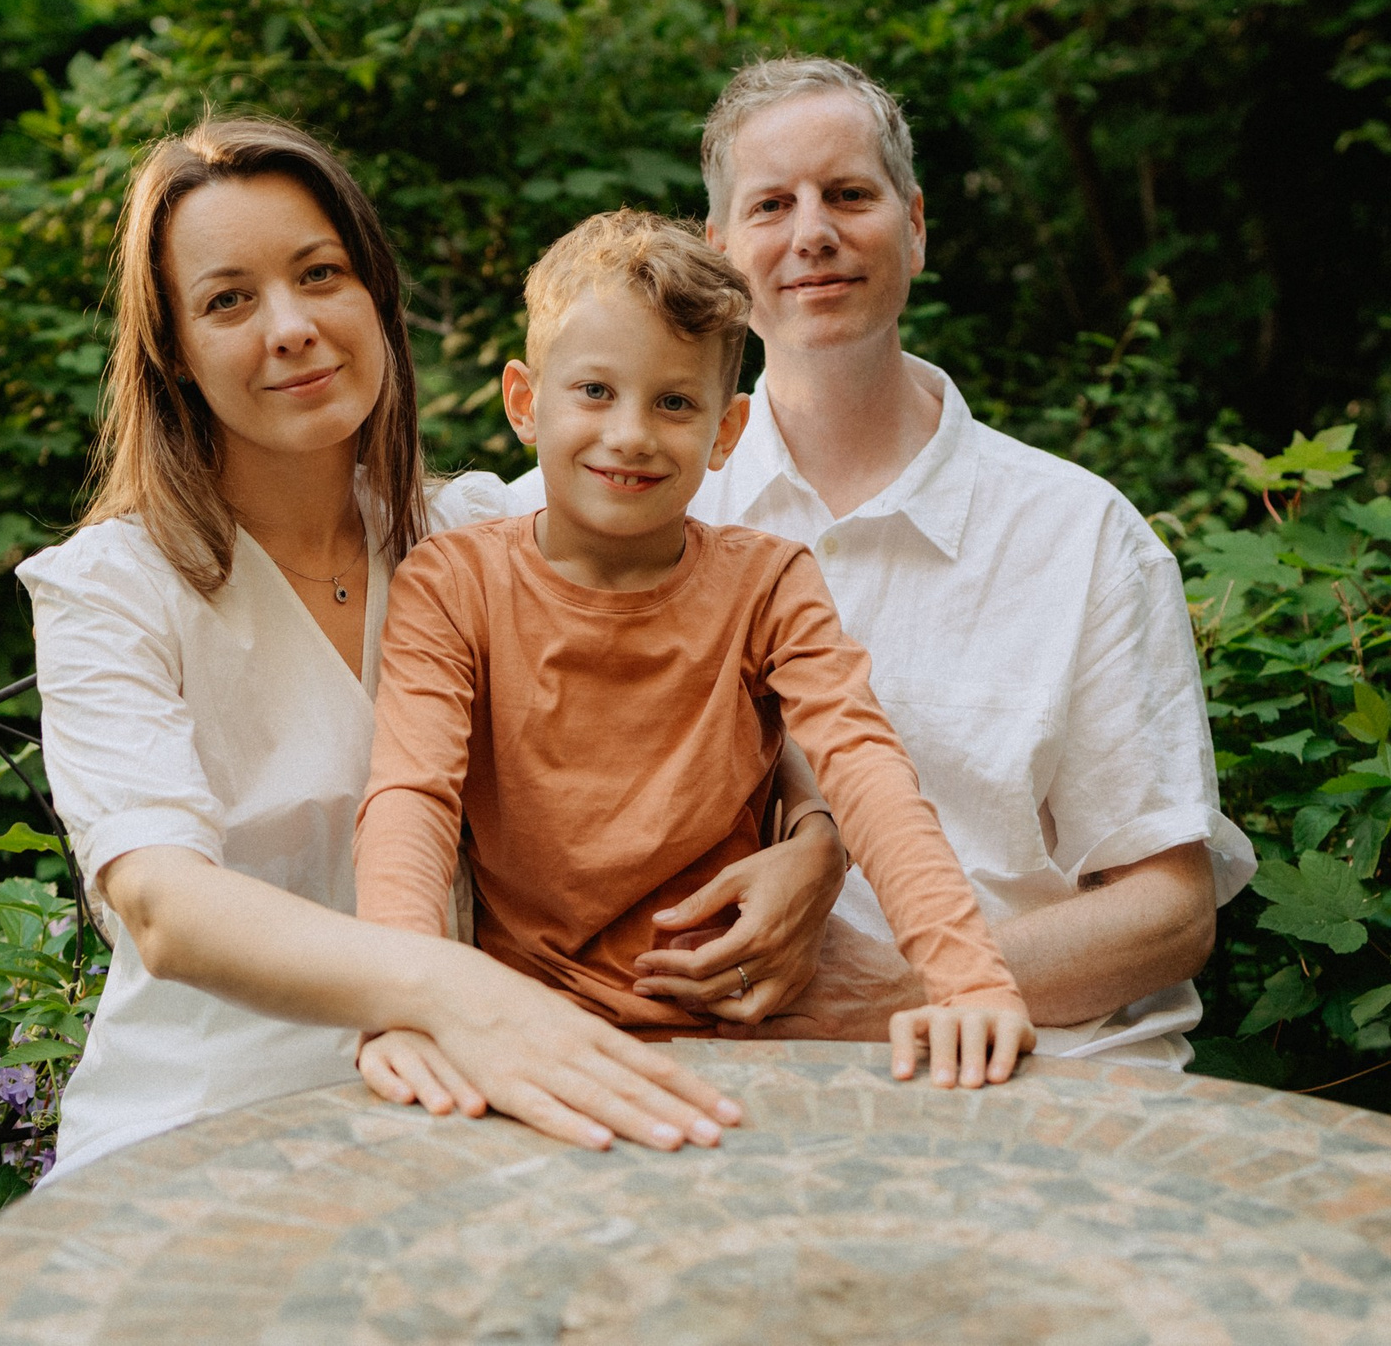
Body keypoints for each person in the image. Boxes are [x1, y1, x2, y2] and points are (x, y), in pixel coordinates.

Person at [16, 117, 847, 1179]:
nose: (291, 327)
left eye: (320, 274)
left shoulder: (474, 534)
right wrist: (444, 987)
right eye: (228, 300)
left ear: (375, 294)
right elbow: (163, 907)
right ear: (172, 349)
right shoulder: (110, 588)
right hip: (208, 1117)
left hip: (477, 1097)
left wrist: (816, 840)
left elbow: (728, 632)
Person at [505, 59, 1255, 1065]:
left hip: (1030, 1073)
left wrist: (897, 989)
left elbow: (1169, 915)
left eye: (849, 194)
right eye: (772, 204)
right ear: (720, 254)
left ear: (915, 226)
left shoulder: (1082, 536)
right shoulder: (606, 494)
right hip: (710, 1072)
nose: (812, 232)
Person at [354, 211, 1037, 1089]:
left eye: (674, 402)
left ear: (726, 430)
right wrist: (406, 1004)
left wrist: (969, 981)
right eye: (594, 390)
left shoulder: (769, 584)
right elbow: (410, 797)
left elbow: (866, 767)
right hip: (530, 1036)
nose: (631, 433)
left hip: (748, 1038)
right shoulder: (453, 583)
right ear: (524, 401)